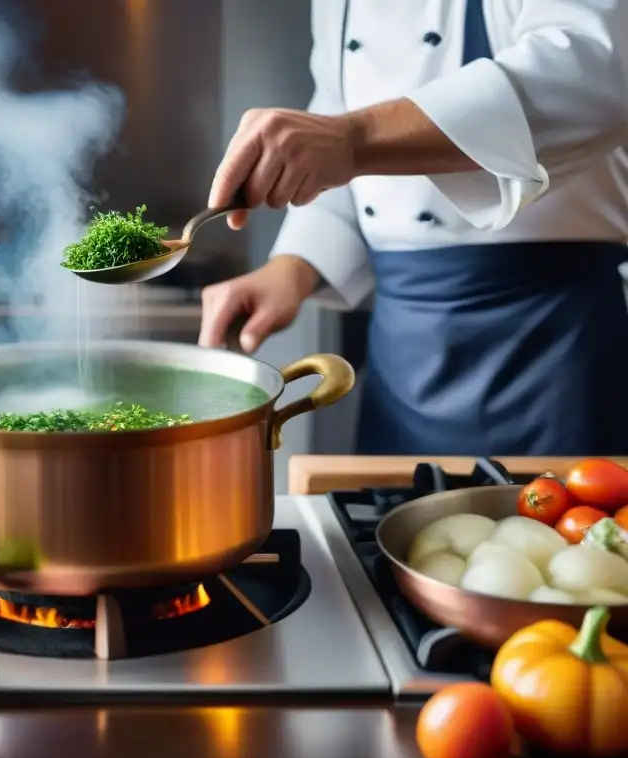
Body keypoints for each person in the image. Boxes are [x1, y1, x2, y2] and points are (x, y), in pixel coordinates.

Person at [199, 0, 628, 456]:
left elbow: (591, 71)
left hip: (555, 343)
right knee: (390, 521)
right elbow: (333, 128)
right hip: (405, 353)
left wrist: (353, 139)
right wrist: (293, 267)